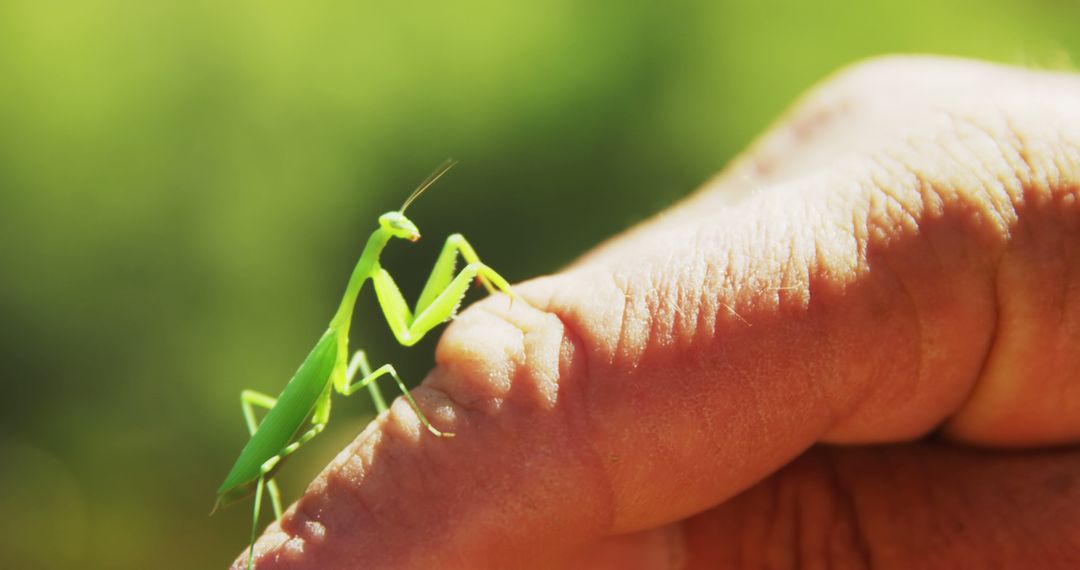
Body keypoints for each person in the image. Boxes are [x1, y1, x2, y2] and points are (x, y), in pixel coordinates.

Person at [236, 56, 1080, 569]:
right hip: (276, 461)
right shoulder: (349, 332)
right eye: (396, 230)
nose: (407, 232)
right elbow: (390, 364)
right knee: (349, 391)